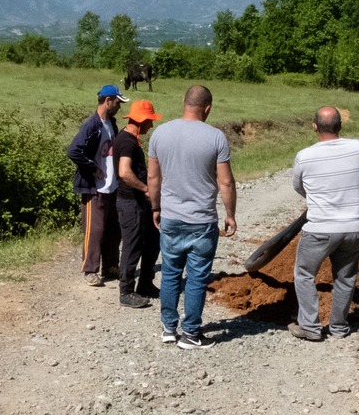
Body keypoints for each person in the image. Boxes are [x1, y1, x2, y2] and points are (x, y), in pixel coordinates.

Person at [146, 84, 236, 349]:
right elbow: (226, 183)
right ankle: (191, 334)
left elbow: (153, 177)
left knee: (171, 273)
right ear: (207, 108)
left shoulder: (160, 133)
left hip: (171, 217)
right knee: (197, 277)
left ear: (183, 102)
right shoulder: (216, 137)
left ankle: (168, 328)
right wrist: (230, 215)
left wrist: (155, 207)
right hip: (202, 220)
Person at [288, 106, 359, 341]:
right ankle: (338, 327)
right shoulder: (358, 148)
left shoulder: (304, 156)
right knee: (345, 278)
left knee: (305, 273)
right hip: (353, 227)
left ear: (314, 126)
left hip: (319, 228)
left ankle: (310, 327)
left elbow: (298, 187)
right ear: (340, 125)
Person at [67, 84, 126, 286]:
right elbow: (74, 150)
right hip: (94, 187)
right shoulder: (91, 125)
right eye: (118, 102)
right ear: (108, 101)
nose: (120, 107)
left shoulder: (111, 123)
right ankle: (90, 270)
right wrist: (92, 168)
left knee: (113, 229)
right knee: (95, 230)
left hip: (112, 185)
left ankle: (110, 267)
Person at [113, 98, 163, 308]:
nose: (151, 125)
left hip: (139, 204)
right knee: (132, 245)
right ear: (141, 120)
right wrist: (145, 189)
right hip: (130, 203)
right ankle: (126, 291)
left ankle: (145, 284)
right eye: (149, 121)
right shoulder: (126, 141)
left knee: (152, 240)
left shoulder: (132, 139)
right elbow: (124, 172)